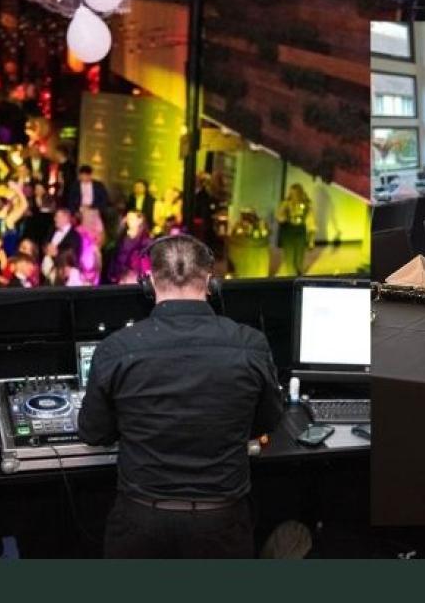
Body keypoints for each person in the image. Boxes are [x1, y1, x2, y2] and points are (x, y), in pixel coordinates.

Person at [78, 235, 283, 558]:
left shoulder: (116, 349)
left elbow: (94, 432)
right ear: (211, 283)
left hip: (140, 521)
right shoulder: (250, 345)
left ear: (148, 283)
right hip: (222, 523)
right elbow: (269, 421)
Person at [276, 183, 316, 276]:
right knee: (289, 256)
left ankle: (298, 274)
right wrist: (283, 218)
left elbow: (311, 222)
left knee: (299, 256)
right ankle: (291, 276)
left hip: (300, 231)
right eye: (291, 193)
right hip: (288, 231)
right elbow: (279, 216)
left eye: (295, 193)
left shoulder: (306, 205)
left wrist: (311, 240)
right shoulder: (286, 204)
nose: (293, 195)